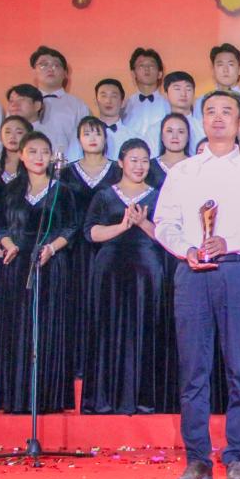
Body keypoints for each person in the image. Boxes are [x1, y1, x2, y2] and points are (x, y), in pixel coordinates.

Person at [154, 90, 240, 479]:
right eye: (210, 111)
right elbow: (164, 223)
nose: (219, 118)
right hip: (192, 274)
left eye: (227, 111)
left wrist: (230, 242)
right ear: (201, 120)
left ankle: (237, 455)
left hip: (238, 272)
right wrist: (185, 249)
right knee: (194, 370)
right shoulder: (183, 173)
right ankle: (197, 459)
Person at [81, 138, 167, 414]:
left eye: (144, 161)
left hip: (147, 271)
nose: (139, 166)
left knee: (147, 327)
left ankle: (144, 399)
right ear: (120, 162)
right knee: (108, 329)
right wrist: (122, 226)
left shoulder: (158, 195)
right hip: (110, 270)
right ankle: (105, 399)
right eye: (133, 160)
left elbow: (166, 237)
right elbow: (91, 232)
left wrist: (142, 223)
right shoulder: (104, 195)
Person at [0, 131, 78, 413]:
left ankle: (47, 398)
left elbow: (71, 227)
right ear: (21, 155)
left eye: (44, 152)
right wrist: (9, 245)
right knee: (18, 327)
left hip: (50, 263)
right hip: (18, 264)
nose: (39, 157)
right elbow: (1, 226)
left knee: (47, 326)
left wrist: (52, 248)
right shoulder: (10, 190)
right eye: (32, 151)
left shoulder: (61, 190)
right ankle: (16, 397)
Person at [61, 117, 122, 378]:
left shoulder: (117, 170)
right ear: (79, 139)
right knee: (78, 303)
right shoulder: (66, 172)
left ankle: (106, 364)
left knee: (108, 302)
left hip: (111, 247)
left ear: (106, 138)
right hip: (76, 248)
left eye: (97, 133)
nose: (93, 138)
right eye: (87, 133)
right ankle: (79, 364)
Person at [32, 46, 90, 155]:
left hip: (68, 163)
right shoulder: (23, 103)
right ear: (34, 72)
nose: (50, 69)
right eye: (43, 65)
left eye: (56, 65)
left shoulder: (78, 106)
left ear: (65, 73)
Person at [66, 78, 138, 162]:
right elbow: (72, 162)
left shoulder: (133, 137)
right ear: (96, 101)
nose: (108, 101)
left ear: (123, 103)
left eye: (114, 96)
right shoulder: (83, 134)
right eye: (103, 96)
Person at [122, 48, 170, 139]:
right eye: (141, 66)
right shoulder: (124, 106)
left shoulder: (168, 105)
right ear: (133, 73)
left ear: (160, 74)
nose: (146, 69)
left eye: (151, 66)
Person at [145, 113, 191, 189]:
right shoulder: (150, 167)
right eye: (169, 131)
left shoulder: (196, 165)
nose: (175, 136)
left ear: (188, 137)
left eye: (181, 132)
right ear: (161, 136)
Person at [162, 71, 204, 153]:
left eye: (188, 89)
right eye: (177, 89)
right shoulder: (155, 129)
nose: (183, 94)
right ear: (166, 94)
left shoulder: (203, 127)